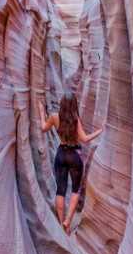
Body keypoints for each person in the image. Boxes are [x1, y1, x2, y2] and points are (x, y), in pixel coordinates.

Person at [38, 93, 103, 234]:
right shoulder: (75, 120)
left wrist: (41, 112)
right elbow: (85, 139)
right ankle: (68, 220)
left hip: (61, 154)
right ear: (74, 105)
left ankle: (62, 223)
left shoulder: (55, 117)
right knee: (75, 190)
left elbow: (43, 128)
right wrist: (99, 131)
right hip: (74, 156)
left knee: (60, 190)